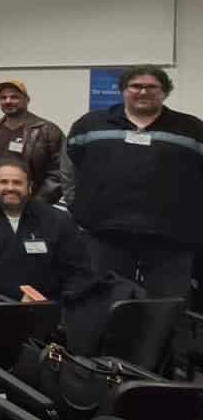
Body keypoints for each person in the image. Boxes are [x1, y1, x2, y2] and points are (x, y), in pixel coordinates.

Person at [64, 65, 203, 304]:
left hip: (171, 236)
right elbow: (68, 168)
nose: (143, 92)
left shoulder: (192, 129)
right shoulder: (91, 124)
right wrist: (77, 206)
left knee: (167, 307)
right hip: (103, 233)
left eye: (151, 87)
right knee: (103, 302)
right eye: (136, 86)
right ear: (123, 90)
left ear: (164, 92)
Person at [0, 156, 92, 302]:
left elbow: (77, 270)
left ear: (30, 186)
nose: (10, 188)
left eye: (17, 183)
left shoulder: (57, 220)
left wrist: (61, 304)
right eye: (3, 182)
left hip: (46, 308)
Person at [0, 80, 64, 205]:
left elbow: (59, 171)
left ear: (27, 100)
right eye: (3, 98)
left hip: (31, 202)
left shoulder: (47, 130)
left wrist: (40, 202)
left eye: (14, 97)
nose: (8, 101)